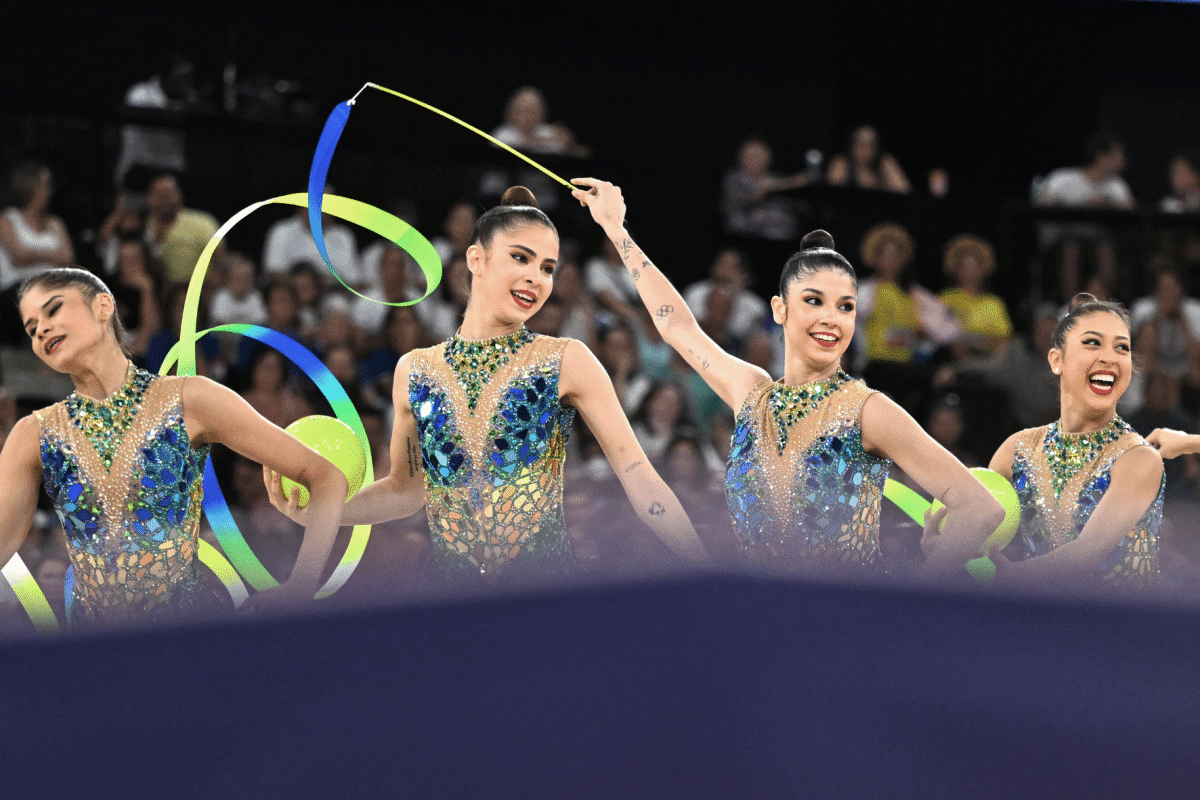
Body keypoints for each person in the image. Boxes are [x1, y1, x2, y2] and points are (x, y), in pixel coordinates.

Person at [267, 187, 709, 589]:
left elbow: (640, 477)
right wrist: (326, 513)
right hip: (455, 607)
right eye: (521, 257)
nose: (537, 278)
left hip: (544, 598)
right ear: (476, 260)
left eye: (548, 267)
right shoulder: (415, 371)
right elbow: (404, 491)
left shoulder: (565, 360)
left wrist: (705, 570)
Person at [571, 178, 1002, 580]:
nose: (831, 319)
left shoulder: (867, 410)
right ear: (779, 310)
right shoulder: (751, 392)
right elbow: (677, 328)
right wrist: (617, 230)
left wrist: (910, 599)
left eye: (846, 306)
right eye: (814, 301)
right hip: (755, 620)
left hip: (839, 630)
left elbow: (979, 510)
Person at [0, 268, 347, 626]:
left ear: (103, 307)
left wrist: (301, 586)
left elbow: (325, 476)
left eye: (53, 310)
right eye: (30, 328)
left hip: (188, 637)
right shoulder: (35, 433)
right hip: (98, 654)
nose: (40, 329)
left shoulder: (189, 399)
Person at [988, 294, 1165, 593]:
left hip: (1118, 631)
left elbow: (1087, 554)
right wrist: (951, 540)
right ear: (1057, 360)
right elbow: (982, 533)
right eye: (1093, 342)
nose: (1110, 357)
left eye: (1122, 347)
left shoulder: (1139, 459)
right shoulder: (1016, 449)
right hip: (1035, 623)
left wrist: (1010, 578)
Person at [0, 160, 75, 344]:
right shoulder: (7, 219)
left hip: (53, 283)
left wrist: (33, 255)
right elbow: (18, 256)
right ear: (29, 187)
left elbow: (68, 258)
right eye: (45, 186)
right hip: (17, 285)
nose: (50, 191)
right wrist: (51, 257)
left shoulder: (55, 223)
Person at [938, 234, 1013, 360]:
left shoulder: (994, 303)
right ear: (955, 269)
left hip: (987, 364)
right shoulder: (945, 299)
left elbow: (1004, 340)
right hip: (952, 363)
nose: (970, 272)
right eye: (964, 267)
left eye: (975, 266)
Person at [825, 125, 911, 194]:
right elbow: (832, 194)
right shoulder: (842, 162)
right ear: (851, 144)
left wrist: (888, 163)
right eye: (859, 142)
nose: (864, 148)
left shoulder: (884, 163)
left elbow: (905, 192)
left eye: (871, 143)